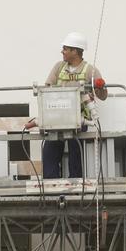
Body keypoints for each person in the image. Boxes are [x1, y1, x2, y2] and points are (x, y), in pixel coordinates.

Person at [24, 32, 108, 179]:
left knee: (76, 151)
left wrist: (99, 87)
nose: (62, 51)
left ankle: (76, 185)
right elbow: (47, 89)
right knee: (50, 149)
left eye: (65, 49)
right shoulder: (59, 67)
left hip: (79, 118)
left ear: (75, 51)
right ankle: (51, 185)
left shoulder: (90, 70)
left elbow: (103, 96)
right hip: (57, 117)